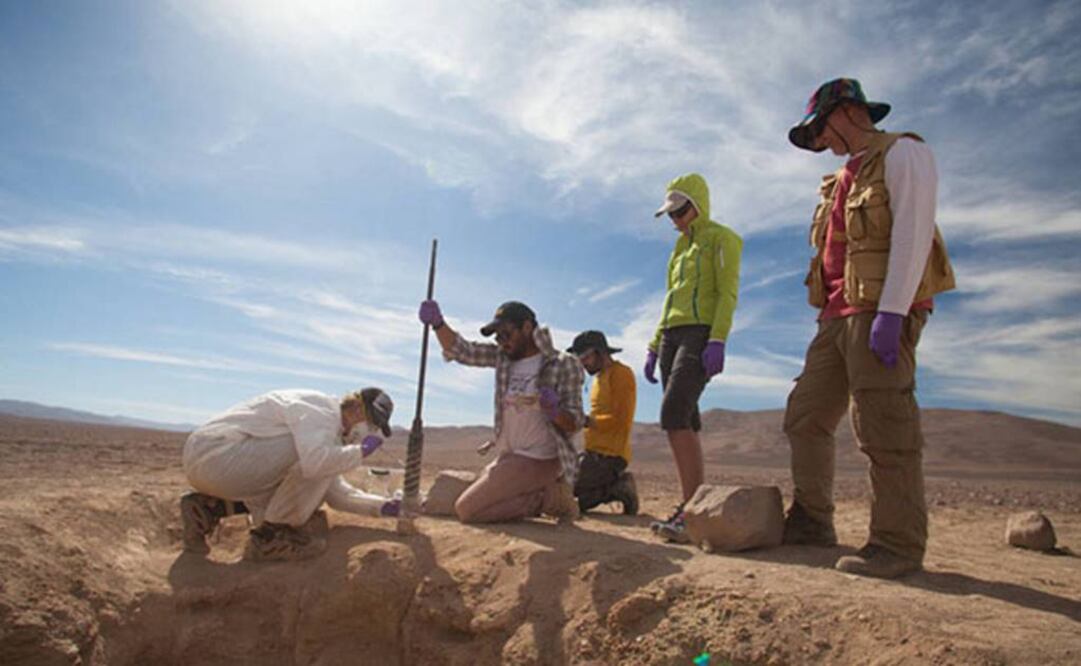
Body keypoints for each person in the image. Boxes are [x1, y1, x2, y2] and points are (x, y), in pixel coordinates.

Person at [783, 78, 956, 578]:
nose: (820, 144)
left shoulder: (903, 153)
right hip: (836, 316)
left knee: (884, 424)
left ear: (844, 113)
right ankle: (813, 520)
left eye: (819, 130)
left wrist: (894, 311)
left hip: (881, 310)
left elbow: (914, 232)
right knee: (805, 415)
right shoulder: (839, 179)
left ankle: (897, 545)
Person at [180, 388, 401, 562]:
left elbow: (336, 494)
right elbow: (315, 465)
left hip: (219, 465)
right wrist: (360, 451)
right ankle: (271, 538)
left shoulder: (326, 433)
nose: (371, 432)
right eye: (372, 425)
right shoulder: (319, 411)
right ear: (357, 412)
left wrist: (383, 507)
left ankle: (209, 508)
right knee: (313, 463)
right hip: (214, 455)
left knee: (311, 478)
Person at [418, 299, 584, 524]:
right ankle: (538, 492)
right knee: (469, 498)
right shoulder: (504, 358)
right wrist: (438, 324)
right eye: (497, 337)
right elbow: (464, 351)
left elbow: (574, 422)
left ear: (527, 328)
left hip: (541, 459)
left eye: (505, 334)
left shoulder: (564, 363)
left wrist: (555, 412)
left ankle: (548, 498)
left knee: (467, 509)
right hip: (510, 456)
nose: (501, 342)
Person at [643, 173, 742, 543]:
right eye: (670, 214)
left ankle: (690, 510)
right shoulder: (678, 249)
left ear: (698, 204)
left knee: (673, 413)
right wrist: (654, 345)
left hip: (700, 333)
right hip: (671, 334)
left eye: (680, 211)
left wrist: (717, 339)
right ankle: (694, 510)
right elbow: (670, 298)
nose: (675, 219)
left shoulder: (723, 239)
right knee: (686, 418)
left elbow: (727, 293)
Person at [567, 330, 639, 515]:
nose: (582, 363)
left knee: (566, 501)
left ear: (600, 352)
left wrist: (585, 420)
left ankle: (619, 488)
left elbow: (620, 420)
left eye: (585, 357)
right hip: (593, 454)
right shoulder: (599, 378)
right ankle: (609, 486)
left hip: (610, 457)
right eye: (579, 358)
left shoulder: (621, 374)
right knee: (561, 489)